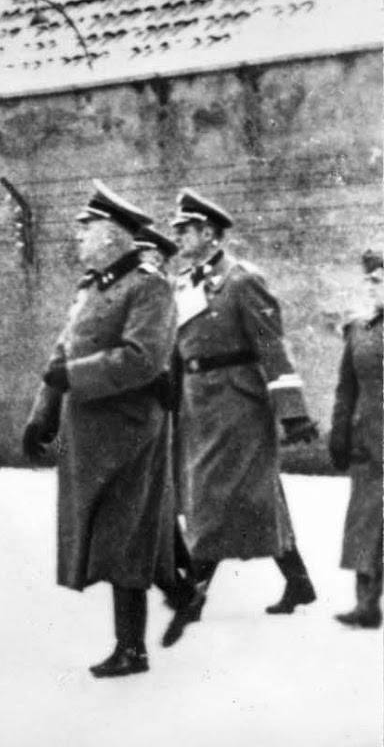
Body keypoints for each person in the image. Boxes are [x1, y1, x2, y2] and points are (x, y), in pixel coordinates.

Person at [22, 182, 183, 678]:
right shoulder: (93, 286)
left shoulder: (148, 286)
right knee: (117, 536)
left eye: (86, 230)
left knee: (123, 539)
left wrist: (75, 377)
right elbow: (62, 353)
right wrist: (42, 415)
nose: (78, 239)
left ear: (114, 235)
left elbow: (142, 359)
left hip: (131, 432)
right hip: (89, 433)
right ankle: (183, 590)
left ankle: (132, 649)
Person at [161, 189, 321, 647]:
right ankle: (298, 579)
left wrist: (293, 414)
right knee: (254, 494)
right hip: (197, 402)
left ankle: (193, 592)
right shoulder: (184, 283)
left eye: (184, 229)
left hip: (238, 402)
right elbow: (178, 350)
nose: (177, 236)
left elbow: (272, 345)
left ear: (208, 233)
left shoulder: (242, 280)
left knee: (214, 493)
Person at [330, 249, 382, 628]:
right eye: (370, 280)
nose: (371, 287)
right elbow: (345, 390)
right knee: (365, 523)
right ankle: (366, 605)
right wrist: (339, 433)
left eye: (378, 280)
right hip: (368, 444)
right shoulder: (359, 331)